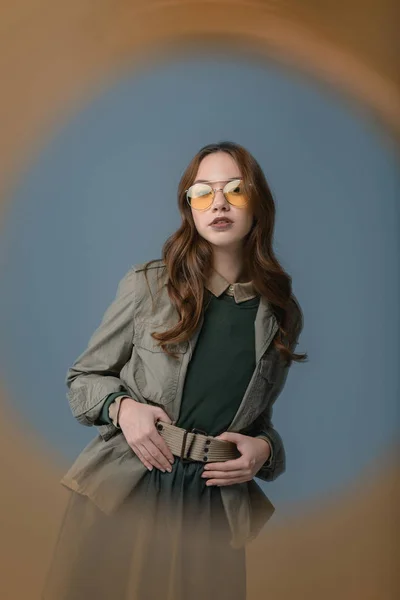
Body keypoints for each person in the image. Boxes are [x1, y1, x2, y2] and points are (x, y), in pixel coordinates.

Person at [42, 141, 306, 600]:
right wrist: (122, 408)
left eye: (235, 190)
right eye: (202, 192)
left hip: (211, 507)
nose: (219, 202)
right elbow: (81, 381)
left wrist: (264, 451)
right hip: (128, 489)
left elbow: (257, 422)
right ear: (189, 207)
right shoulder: (148, 284)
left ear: (257, 201)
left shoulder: (279, 312)